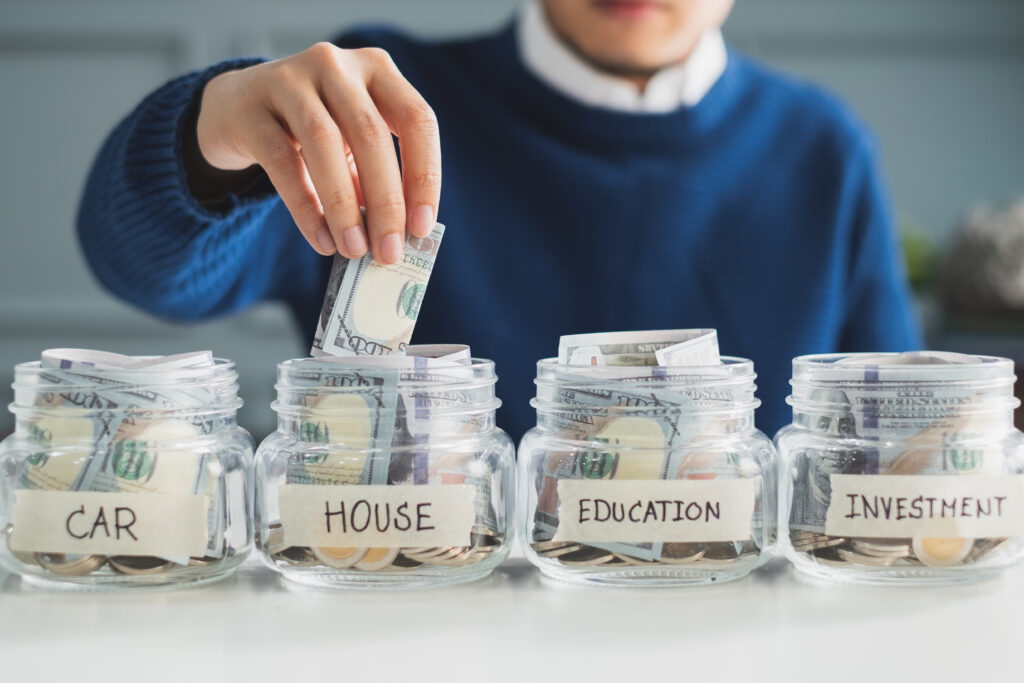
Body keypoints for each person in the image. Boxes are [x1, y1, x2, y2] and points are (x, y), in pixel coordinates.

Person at [76, 0, 921, 441]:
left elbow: (903, 425)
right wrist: (206, 129)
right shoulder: (385, 107)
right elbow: (142, 266)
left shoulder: (825, 149)